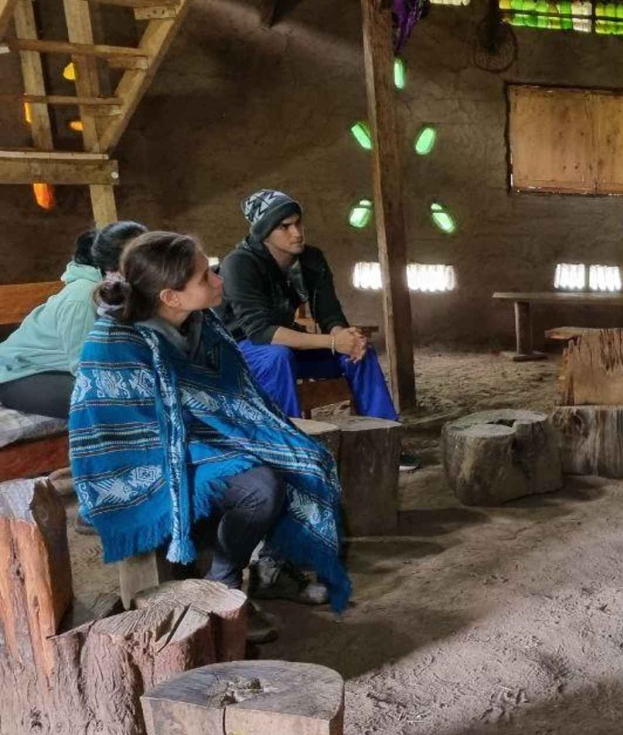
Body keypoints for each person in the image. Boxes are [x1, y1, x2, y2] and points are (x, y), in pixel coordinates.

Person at [69, 231, 352, 644]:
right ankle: (224, 586)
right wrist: (216, 442)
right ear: (171, 297)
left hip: (204, 440)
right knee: (260, 487)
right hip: (142, 463)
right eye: (205, 276)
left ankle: (270, 570)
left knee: (304, 458)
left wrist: (246, 435)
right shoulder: (114, 341)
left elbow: (232, 395)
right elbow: (120, 434)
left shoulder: (204, 323)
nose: (218, 280)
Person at [216, 189, 415, 470]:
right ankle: (289, 449)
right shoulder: (239, 264)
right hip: (241, 350)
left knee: (359, 352)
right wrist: (332, 342)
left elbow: (329, 312)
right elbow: (260, 332)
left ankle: (385, 442)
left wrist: (343, 337)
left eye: (298, 223)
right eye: (285, 227)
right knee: (277, 356)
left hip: (285, 344)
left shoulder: (311, 259)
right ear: (264, 233)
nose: (296, 233)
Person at [0, 221, 147, 418]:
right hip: (19, 374)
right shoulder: (82, 297)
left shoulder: (119, 289)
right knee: (107, 401)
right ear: (113, 263)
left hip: (58, 369)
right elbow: (84, 365)